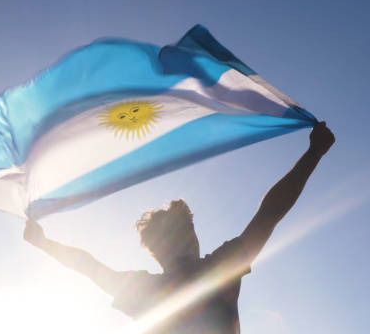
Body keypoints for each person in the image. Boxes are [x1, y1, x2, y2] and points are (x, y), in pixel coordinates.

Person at [24, 122, 335, 333]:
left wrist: (313, 155)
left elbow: (269, 215)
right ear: (157, 249)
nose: (186, 241)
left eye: (187, 231)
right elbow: (90, 267)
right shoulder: (148, 289)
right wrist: (44, 244)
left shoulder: (217, 269)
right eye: (175, 235)